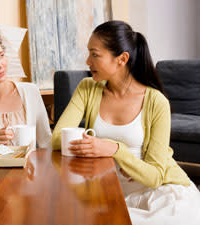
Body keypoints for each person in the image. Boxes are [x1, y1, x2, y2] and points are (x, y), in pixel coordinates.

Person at [52, 20, 200, 225]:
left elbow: (155, 177)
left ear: (121, 59)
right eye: (89, 53)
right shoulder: (88, 88)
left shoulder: (157, 102)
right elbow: (57, 138)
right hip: (110, 189)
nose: (88, 61)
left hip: (158, 192)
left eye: (95, 54)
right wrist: (98, 150)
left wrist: (116, 150)